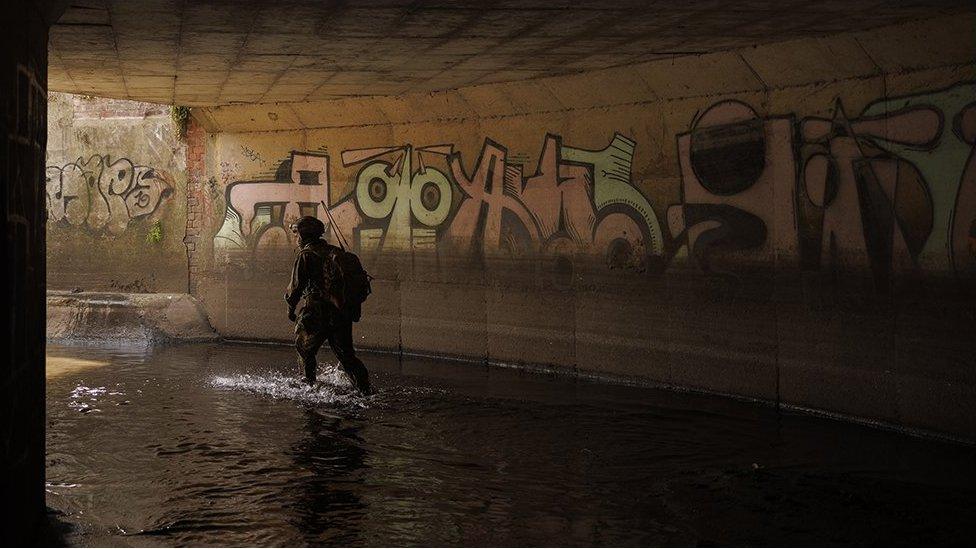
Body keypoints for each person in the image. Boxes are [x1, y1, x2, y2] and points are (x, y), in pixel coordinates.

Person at [285, 216, 370, 394]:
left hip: (316, 311)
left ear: (303, 235)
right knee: (347, 356)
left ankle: (308, 388)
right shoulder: (336, 252)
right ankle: (365, 392)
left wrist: (291, 309)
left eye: (297, 234)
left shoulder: (306, 255)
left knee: (304, 349)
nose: (296, 239)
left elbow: (295, 288)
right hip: (341, 312)